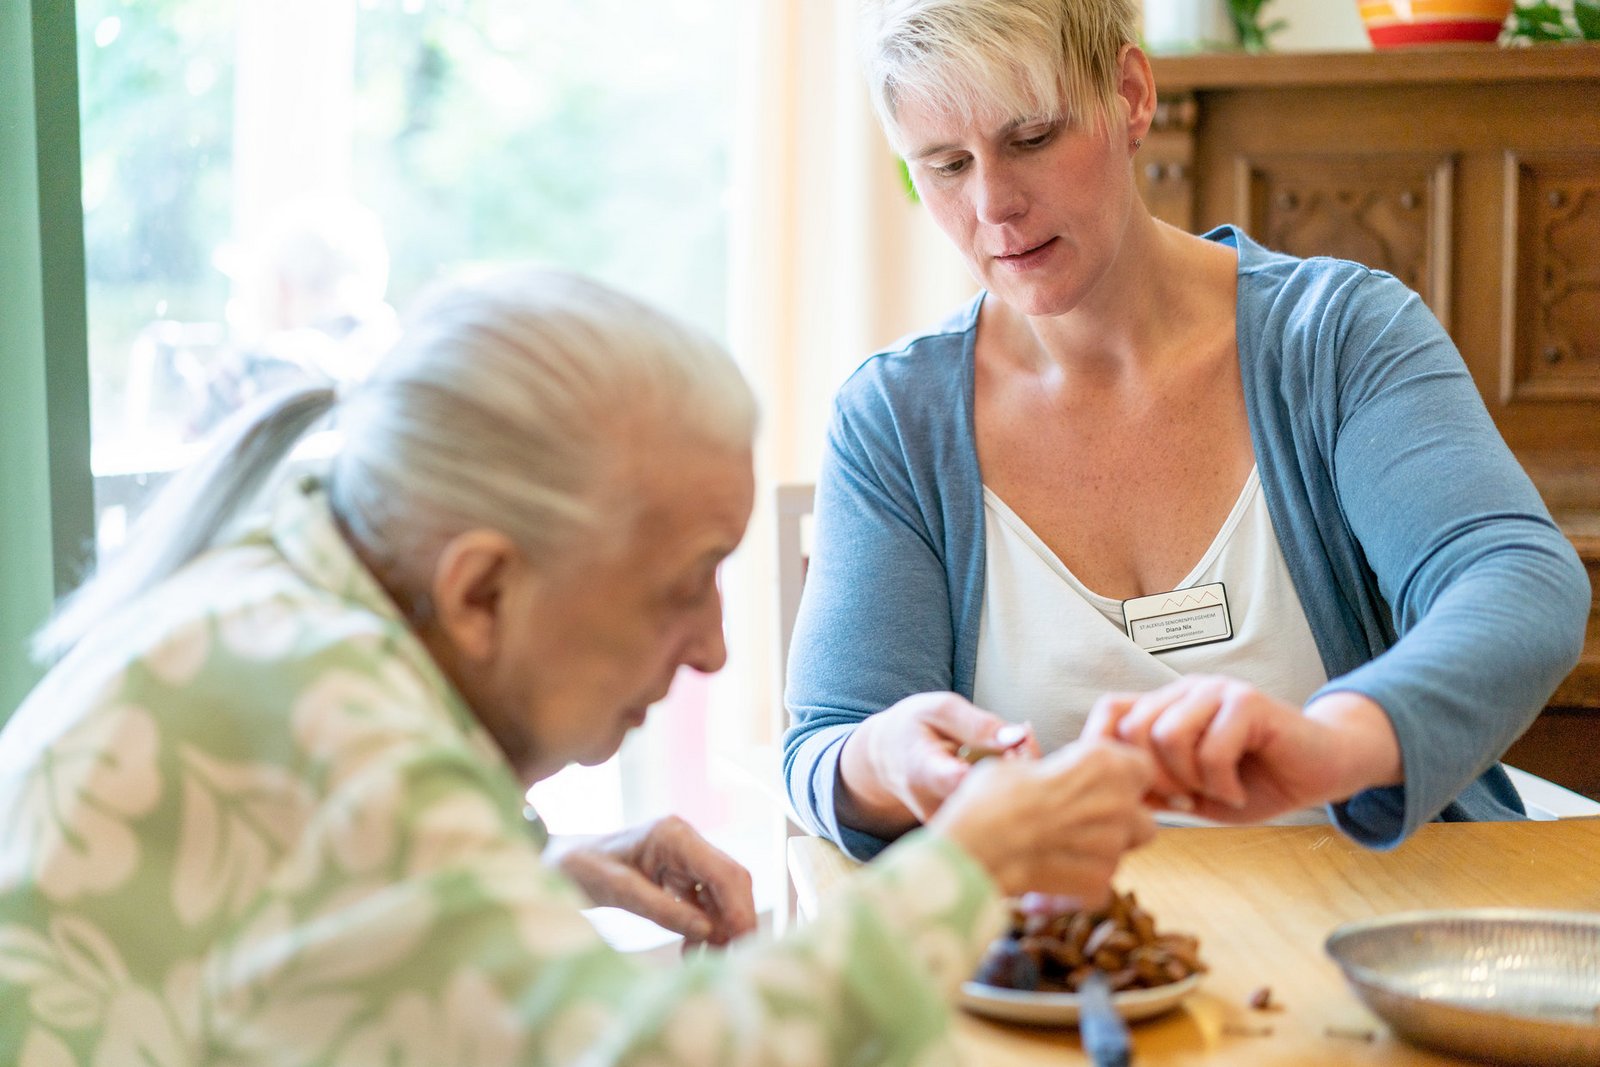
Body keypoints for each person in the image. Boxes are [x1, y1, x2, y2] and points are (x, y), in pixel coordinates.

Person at [0, 267, 1158, 1064]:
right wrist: (970, 864)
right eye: (680, 582)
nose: (712, 643)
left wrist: (515, 874)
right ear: (480, 589)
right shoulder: (324, 713)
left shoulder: (280, 614)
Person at [782, 0, 1590, 861]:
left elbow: (1519, 580)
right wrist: (883, 760)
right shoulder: (893, 422)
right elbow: (827, 741)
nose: (995, 204)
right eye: (945, 164)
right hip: (1058, 974)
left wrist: (1335, 744)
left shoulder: (1339, 337)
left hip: (1376, 936)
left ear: (1131, 96)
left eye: (1033, 138)